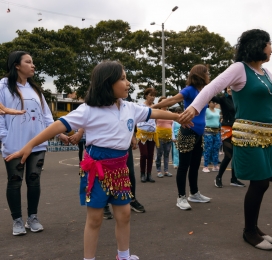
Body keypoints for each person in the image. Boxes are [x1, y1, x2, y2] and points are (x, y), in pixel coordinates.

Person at [5, 61, 183, 260]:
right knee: (95, 219)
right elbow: (58, 126)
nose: (128, 83)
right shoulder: (88, 110)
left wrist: (177, 116)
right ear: (108, 83)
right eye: (123, 78)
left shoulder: (130, 108)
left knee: (124, 214)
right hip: (96, 171)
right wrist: (29, 145)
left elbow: (155, 112)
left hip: (120, 170)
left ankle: (123, 255)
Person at [179, 29, 272, 250]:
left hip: (266, 135)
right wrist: (194, 108)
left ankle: (253, 226)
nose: (271, 48)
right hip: (248, 134)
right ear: (258, 45)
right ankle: (249, 231)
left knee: (262, 182)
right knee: (260, 182)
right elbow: (213, 87)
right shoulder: (239, 69)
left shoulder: (265, 72)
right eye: (269, 43)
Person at [0, 51, 56, 236]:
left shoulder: (35, 89)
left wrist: (59, 134)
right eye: (28, 62)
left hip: (37, 144)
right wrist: (4, 136)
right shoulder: (3, 86)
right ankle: (17, 220)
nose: (33, 65)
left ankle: (32, 218)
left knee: (34, 180)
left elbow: (47, 115)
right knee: (14, 182)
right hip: (14, 144)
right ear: (17, 65)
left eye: (33, 62)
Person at [152, 64, 211, 211]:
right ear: (200, 75)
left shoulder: (203, 91)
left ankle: (194, 193)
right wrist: (153, 107)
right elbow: (172, 100)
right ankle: (181, 197)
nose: (209, 75)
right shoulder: (190, 90)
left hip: (199, 133)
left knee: (196, 165)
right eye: (207, 72)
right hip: (188, 132)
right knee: (184, 166)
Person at [211, 88, 246, 188]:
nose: (231, 89)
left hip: (238, 128)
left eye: (233, 87)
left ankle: (234, 179)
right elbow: (211, 96)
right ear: (226, 89)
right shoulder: (222, 99)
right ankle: (218, 177)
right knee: (228, 155)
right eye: (229, 87)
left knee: (236, 155)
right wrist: (204, 88)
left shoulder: (238, 99)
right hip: (227, 129)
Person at [136, 88, 157, 183]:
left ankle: (149, 174)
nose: (152, 97)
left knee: (150, 155)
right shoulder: (140, 106)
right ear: (146, 95)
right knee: (144, 154)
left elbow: (156, 120)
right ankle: (142, 174)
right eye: (150, 95)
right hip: (142, 133)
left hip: (152, 133)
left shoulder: (155, 107)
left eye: (154, 95)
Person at [155, 97, 173, 177]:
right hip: (159, 136)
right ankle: (158, 170)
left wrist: (173, 136)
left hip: (168, 137)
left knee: (166, 154)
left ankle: (166, 170)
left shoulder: (170, 113)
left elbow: (172, 125)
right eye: (163, 102)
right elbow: (154, 123)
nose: (165, 104)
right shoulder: (157, 112)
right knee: (159, 154)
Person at [202, 99, 222, 173]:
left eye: (215, 102)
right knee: (208, 148)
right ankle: (205, 166)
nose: (214, 103)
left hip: (216, 131)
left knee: (216, 148)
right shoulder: (206, 110)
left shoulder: (217, 110)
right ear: (209, 103)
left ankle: (215, 165)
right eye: (213, 102)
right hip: (208, 131)